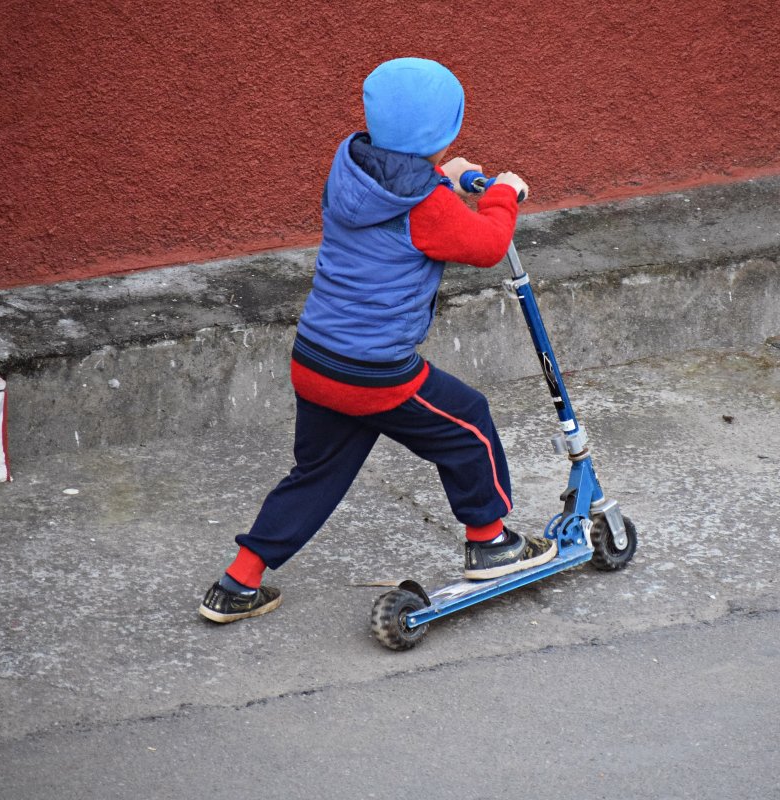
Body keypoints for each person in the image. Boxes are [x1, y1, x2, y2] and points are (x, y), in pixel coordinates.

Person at [199, 57, 554, 624]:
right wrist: (502, 193)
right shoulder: (427, 205)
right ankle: (491, 541)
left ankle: (238, 582)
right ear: (447, 131)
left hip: (316, 358)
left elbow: (407, 188)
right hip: (374, 371)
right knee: (468, 425)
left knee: (317, 473)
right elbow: (486, 244)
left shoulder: (351, 170)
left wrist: (449, 175)